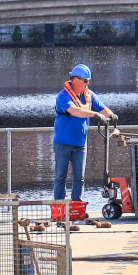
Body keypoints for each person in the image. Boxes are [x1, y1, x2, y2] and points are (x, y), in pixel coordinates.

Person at [53, 64, 118, 202]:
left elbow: (102, 108)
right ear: (75, 80)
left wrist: (111, 115)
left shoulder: (89, 95)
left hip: (80, 144)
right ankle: (58, 208)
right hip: (62, 143)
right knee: (60, 177)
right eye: (85, 81)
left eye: (88, 81)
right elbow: (75, 111)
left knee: (80, 178)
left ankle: (77, 206)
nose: (87, 83)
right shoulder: (63, 96)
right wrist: (95, 114)